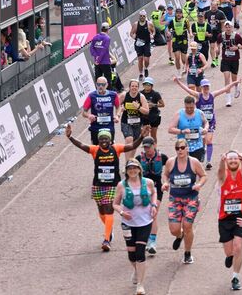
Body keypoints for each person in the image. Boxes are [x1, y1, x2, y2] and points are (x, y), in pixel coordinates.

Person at [65, 122, 139, 251]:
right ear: (98, 141)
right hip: (98, 185)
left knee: (109, 208)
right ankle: (109, 231)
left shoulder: (116, 149)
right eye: (101, 139)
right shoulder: (95, 150)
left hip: (112, 186)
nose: (103, 141)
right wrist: (70, 137)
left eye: (106, 139)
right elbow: (81, 145)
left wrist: (142, 137)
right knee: (101, 211)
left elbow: (132, 145)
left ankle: (106, 240)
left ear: (110, 140)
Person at [114, 158, 160, 295]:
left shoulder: (148, 183)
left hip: (145, 222)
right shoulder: (121, 185)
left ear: (139, 169)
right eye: (129, 169)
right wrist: (122, 212)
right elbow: (115, 204)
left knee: (140, 252)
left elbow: (154, 193)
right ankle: (136, 270)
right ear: (126, 171)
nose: (132, 171)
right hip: (128, 223)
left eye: (135, 168)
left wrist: (153, 205)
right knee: (131, 254)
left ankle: (140, 284)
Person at [163, 138, 208, 264]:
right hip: (175, 199)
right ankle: (179, 235)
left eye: (182, 147)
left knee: (187, 226)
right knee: (173, 229)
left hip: (191, 198)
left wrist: (199, 184)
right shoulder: (171, 162)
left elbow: (204, 175)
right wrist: (165, 183)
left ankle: (187, 253)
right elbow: (165, 174)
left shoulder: (194, 162)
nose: (180, 150)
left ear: (187, 148)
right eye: (177, 148)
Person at [218, 151, 242, 292]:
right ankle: (229, 256)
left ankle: (235, 277)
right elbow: (219, 172)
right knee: (229, 251)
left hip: (241, 217)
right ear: (226, 161)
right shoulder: (223, 176)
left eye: (235, 159)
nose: (232, 161)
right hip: (224, 219)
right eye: (230, 159)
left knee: (238, 247)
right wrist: (221, 161)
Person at [137, 137, 169, 255]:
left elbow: (171, 167)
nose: (147, 150)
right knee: (144, 215)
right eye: (145, 148)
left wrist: (167, 181)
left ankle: (152, 242)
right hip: (144, 190)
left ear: (154, 145)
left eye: (148, 147)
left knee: (153, 213)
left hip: (157, 188)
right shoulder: (139, 159)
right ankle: (144, 239)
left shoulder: (162, 157)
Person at [169, 96, 209, 162]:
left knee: (196, 168)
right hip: (183, 147)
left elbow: (206, 122)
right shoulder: (179, 114)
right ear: (184, 105)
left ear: (194, 105)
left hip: (197, 146)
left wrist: (206, 129)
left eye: (191, 107)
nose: (189, 109)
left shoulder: (199, 113)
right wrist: (182, 131)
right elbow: (170, 129)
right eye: (187, 108)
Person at [82, 76, 119, 144]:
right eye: (98, 84)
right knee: (96, 150)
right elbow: (84, 112)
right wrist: (89, 116)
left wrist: (117, 116)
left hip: (109, 126)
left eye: (103, 84)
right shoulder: (91, 96)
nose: (100, 86)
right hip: (95, 127)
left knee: (110, 148)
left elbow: (118, 107)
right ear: (96, 85)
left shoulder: (113, 95)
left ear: (107, 85)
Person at [119, 79, 151, 143]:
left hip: (138, 123)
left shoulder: (141, 97)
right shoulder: (124, 95)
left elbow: (147, 111)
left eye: (136, 86)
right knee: (129, 139)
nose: (134, 88)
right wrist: (121, 108)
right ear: (129, 87)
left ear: (138, 88)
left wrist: (138, 107)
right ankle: (127, 152)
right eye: (132, 86)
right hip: (126, 122)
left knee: (134, 143)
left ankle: (130, 153)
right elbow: (117, 106)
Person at [131, 13, 155, 78]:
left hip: (147, 43)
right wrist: (135, 38)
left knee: (146, 59)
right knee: (140, 59)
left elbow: (153, 31)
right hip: (138, 44)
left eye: (143, 16)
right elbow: (131, 33)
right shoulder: (136, 24)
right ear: (139, 17)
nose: (142, 17)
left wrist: (152, 35)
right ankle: (141, 73)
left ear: (145, 17)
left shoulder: (149, 24)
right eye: (141, 16)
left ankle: (146, 68)